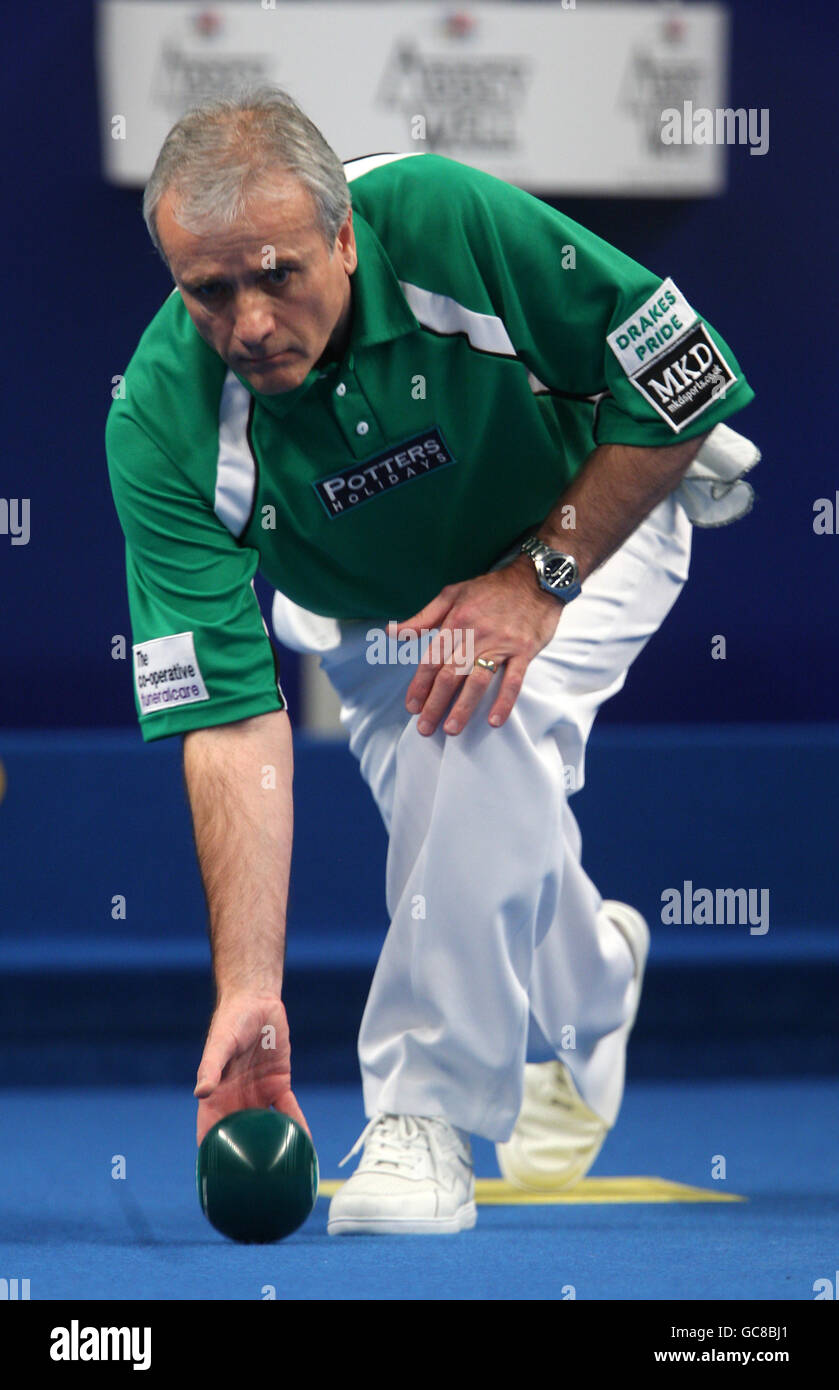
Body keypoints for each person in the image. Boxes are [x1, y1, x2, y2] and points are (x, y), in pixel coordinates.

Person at [106, 87, 758, 1236]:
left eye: (277, 274)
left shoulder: (442, 217)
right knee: (477, 799)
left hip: (578, 532)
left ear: (344, 235)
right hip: (364, 620)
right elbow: (230, 722)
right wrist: (248, 990)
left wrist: (537, 576)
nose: (248, 322)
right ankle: (589, 984)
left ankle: (421, 1115)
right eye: (208, 291)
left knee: (473, 724)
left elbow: (685, 376)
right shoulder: (160, 425)